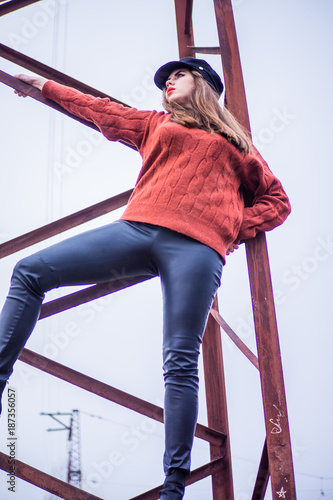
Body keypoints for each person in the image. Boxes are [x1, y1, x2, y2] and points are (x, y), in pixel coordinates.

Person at [0, 57, 291, 499]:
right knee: (30, 271)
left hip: (196, 250)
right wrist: (40, 83)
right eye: (165, 79)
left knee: (179, 360)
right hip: (137, 230)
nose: (168, 81)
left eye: (179, 75)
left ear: (205, 85)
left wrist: (232, 225)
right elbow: (96, 108)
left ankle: (173, 487)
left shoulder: (236, 144)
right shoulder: (155, 124)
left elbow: (277, 200)